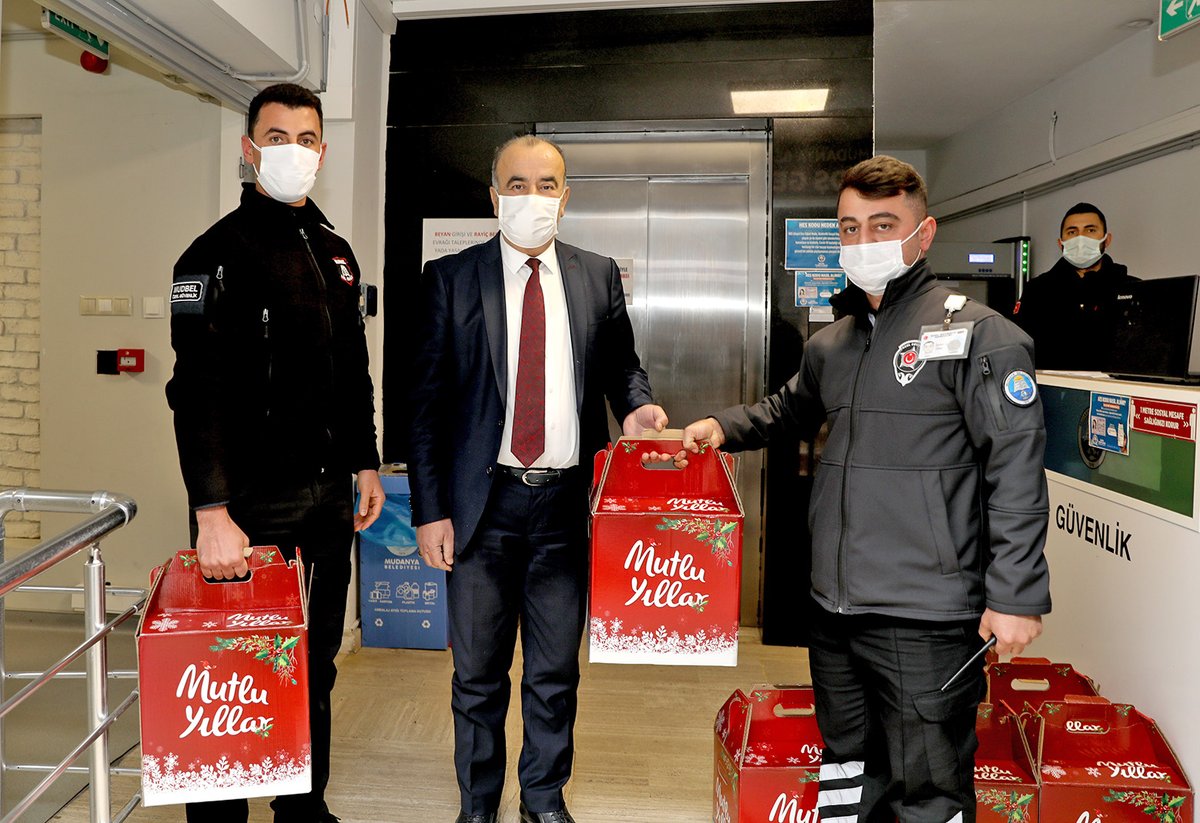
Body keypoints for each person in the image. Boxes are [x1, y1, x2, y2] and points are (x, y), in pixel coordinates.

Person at [663, 156, 1051, 823]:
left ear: (923, 234)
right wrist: (719, 427)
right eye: (850, 228)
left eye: (883, 225)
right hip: (834, 609)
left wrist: (1015, 593)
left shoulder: (980, 336)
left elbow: (1015, 467)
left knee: (926, 787)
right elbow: (784, 412)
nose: (864, 242)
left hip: (925, 613)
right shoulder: (833, 344)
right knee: (848, 769)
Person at [407, 135, 668, 823]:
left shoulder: (596, 274)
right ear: (494, 196)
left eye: (545, 184)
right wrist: (430, 509)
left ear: (565, 194)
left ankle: (544, 800)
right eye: (515, 185)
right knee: (478, 676)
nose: (531, 198)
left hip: (564, 508)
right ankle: (479, 802)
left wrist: (639, 404)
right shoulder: (451, 280)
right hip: (479, 507)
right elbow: (425, 407)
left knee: (555, 673)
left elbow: (621, 366)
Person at [165, 83, 384, 823]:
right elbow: (193, 391)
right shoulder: (208, 257)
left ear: (323, 149)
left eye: (307, 137)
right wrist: (211, 509)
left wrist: (366, 461)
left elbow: (353, 373)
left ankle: (302, 802)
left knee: (311, 665)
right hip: (244, 511)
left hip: (325, 508)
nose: (293, 149)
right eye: (277, 135)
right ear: (249, 145)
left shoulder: (336, 254)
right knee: (230, 666)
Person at [1012, 202, 1137, 370]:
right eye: (1072, 232)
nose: (1080, 238)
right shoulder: (1037, 290)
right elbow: (1017, 348)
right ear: (1060, 243)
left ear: (1107, 240)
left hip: (1116, 392)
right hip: (1051, 391)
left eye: (1090, 230)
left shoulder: (1133, 288)